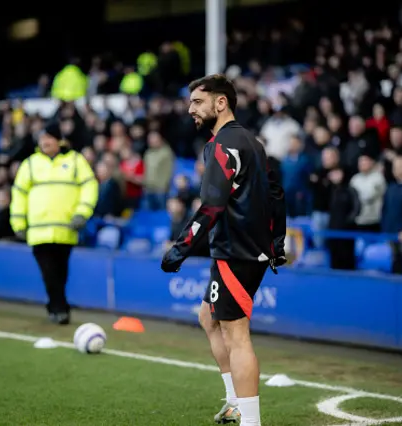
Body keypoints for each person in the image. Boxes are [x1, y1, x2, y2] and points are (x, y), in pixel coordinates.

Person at [161, 74, 286, 426]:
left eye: (197, 102)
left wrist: (180, 248)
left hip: (236, 251)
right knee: (208, 317)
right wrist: (276, 243)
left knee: (237, 333)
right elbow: (276, 194)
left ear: (221, 103)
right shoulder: (254, 143)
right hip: (251, 249)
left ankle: (250, 421)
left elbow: (213, 205)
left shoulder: (220, 146)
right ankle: (234, 401)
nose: (190, 110)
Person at [10, 121, 98, 325]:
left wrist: (82, 213)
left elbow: (90, 186)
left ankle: (56, 305)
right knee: (48, 272)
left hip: (66, 229)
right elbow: (19, 194)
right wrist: (18, 223)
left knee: (61, 272)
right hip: (38, 231)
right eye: (42, 138)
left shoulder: (76, 161)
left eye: (49, 137)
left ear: (59, 140)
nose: (45, 141)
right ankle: (59, 309)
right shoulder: (30, 164)